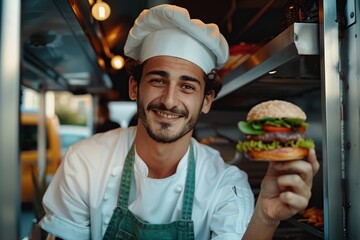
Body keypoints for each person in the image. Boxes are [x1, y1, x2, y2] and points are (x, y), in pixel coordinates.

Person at [39, 4, 319, 239]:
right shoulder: (85, 162)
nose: (170, 100)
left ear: (206, 100)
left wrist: (266, 217)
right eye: (158, 80)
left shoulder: (225, 184)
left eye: (187, 86)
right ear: (134, 88)